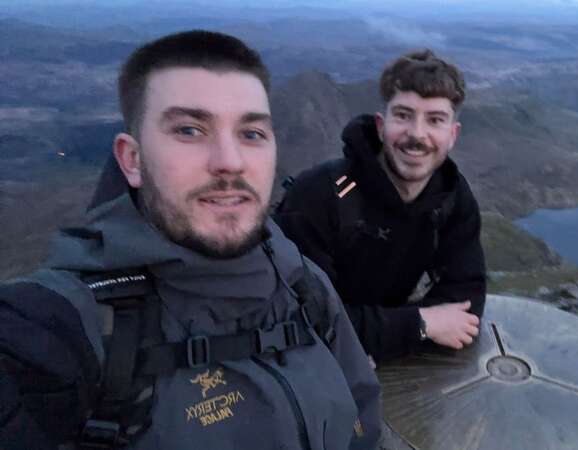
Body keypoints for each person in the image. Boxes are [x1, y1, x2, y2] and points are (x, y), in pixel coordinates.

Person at [0, 30, 380, 450]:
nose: (229, 162)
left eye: (251, 134)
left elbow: (363, 421)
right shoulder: (59, 329)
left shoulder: (304, 284)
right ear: (132, 159)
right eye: (189, 130)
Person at [274, 49, 486, 363]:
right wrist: (418, 325)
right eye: (403, 115)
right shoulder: (316, 197)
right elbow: (302, 319)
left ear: (452, 134)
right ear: (380, 125)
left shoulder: (450, 195)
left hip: (382, 360)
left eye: (435, 120)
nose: (417, 134)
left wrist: (388, 336)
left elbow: (466, 300)